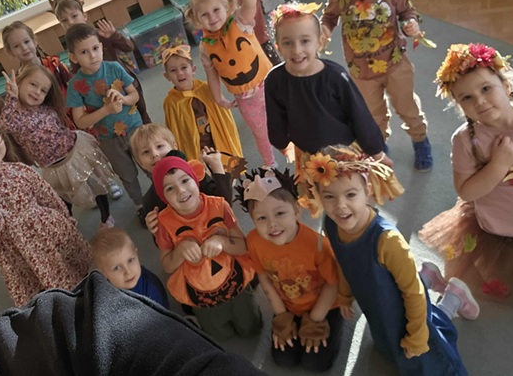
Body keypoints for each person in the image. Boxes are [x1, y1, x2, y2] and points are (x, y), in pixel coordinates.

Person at [0, 97, 267, 375]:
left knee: (78, 286)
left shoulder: (21, 171)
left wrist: (69, 227)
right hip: (27, 255)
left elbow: (51, 200)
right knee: (51, 283)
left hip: (56, 238)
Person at [304, 145, 478, 375]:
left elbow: (413, 293)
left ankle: (453, 298)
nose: (340, 206)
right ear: (319, 196)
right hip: (377, 303)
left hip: (406, 305)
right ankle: (428, 276)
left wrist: (418, 337)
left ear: (367, 191)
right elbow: (343, 261)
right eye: (329, 196)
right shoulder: (331, 224)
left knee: (432, 360)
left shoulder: (388, 241)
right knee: (390, 343)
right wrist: (345, 294)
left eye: (351, 195)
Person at [420, 43, 513, 303]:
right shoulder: (466, 140)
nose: (479, 101)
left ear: (507, 86)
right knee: (507, 274)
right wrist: (498, 165)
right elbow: (466, 191)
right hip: (503, 229)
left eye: (486, 89)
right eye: (466, 98)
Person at [319, 0, 433, 171]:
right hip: (360, 69)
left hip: (395, 62)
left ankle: (420, 139)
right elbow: (330, 16)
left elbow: (406, 10)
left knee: (407, 106)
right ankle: (379, 144)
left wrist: (411, 24)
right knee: (371, 113)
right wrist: (324, 29)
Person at [0, 106, 94, 307]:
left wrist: (67, 221)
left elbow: (48, 197)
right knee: (52, 292)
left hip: (51, 232)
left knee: (77, 271)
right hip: (22, 252)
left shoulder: (20, 169)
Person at [265, 1, 397, 217]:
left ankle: (364, 221)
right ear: (278, 46)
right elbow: (275, 117)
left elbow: (359, 115)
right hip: (310, 156)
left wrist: (377, 151)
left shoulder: (335, 76)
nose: (297, 50)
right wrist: (279, 142)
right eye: (288, 43)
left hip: (345, 152)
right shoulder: (274, 80)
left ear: (319, 42)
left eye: (305, 41)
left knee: (352, 195)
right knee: (327, 198)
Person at [238, 168, 344, 372]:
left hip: (326, 305)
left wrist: (315, 320)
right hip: (289, 305)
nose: (272, 224)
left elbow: (333, 284)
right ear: (252, 219)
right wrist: (281, 317)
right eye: (261, 218)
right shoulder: (253, 241)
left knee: (316, 363)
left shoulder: (318, 245)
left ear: (296, 210)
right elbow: (264, 277)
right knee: (284, 359)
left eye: (280, 213)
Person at [151, 155, 261, 341]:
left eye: (185, 180)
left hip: (235, 284)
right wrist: (181, 250)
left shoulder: (219, 205)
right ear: (163, 196)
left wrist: (222, 242)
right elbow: (168, 265)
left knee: (252, 328)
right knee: (220, 336)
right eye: (170, 188)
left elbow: (243, 246)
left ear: (195, 177)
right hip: (201, 296)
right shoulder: (164, 222)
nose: (181, 190)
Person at [0, 64, 115, 225]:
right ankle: (68, 221)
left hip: (74, 153)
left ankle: (106, 216)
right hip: (53, 166)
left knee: (94, 183)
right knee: (63, 195)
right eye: (33, 84)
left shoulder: (46, 108)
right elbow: (4, 124)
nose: (37, 92)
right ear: (20, 82)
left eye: (43, 90)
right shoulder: (15, 115)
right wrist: (11, 97)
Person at [186, 0, 276, 169]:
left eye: (216, 10)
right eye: (204, 15)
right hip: (245, 98)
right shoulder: (205, 46)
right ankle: (270, 163)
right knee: (260, 132)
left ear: (226, 5)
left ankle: (297, 149)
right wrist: (218, 98)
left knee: (286, 120)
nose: (212, 17)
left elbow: (251, 1)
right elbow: (212, 74)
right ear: (197, 20)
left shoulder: (239, 22)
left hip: (270, 84)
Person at [65, 24, 145, 223]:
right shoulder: (75, 85)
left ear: (101, 47)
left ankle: (164, 190)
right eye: (84, 52)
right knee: (127, 174)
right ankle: (141, 205)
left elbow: (134, 95)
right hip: (109, 138)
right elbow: (80, 121)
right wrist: (106, 110)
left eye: (95, 48)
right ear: (73, 57)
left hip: (134, 128)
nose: (92, 56)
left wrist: (123, 99)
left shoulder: (114, 68)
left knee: (150, 162)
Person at [49, 0, 152, 124]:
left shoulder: (101, 34)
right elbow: (77, 72)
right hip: (101, 91)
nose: (71, 22)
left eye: (74, 16)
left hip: (124, 81)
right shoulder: (74, 49)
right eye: (64, 21)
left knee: (141, 113)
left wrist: (114, 35)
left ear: (84, 16)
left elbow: (129, 48)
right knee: (118, 120)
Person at [129, 124, 234, 235]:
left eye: (159, 146)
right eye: (146, 152)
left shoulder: (196, 174)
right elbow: (164, 240)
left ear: (174, 147)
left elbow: (224, 203)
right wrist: (155, 231)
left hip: (217, 233)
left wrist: (217, 167)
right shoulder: (150, 201)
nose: (154, 154)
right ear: (140, 163)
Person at [161, 44, 244, 172]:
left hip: (216, 140)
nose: (180, 73)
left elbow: (222, 113)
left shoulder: (206, 88)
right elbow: (175, 131)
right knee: (204, 174)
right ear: (167, 76)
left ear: (193, 69)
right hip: (196, 148)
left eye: (184, 67)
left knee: (227, 169)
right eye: (173, 70)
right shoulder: (171, 102)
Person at [91, 227, 170, 309]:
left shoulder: (153, 290)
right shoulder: (102, 297)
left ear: (137, 254)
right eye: (117, 268)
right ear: (103, 273)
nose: (128, 271)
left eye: (130, 260)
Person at [1, 21, 72, 98]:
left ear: (34, 41)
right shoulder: (18, 81)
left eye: (26, 42)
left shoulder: (54, 64)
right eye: (16, 46)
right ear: (10, 52)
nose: (24, 48)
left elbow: (73, 87)